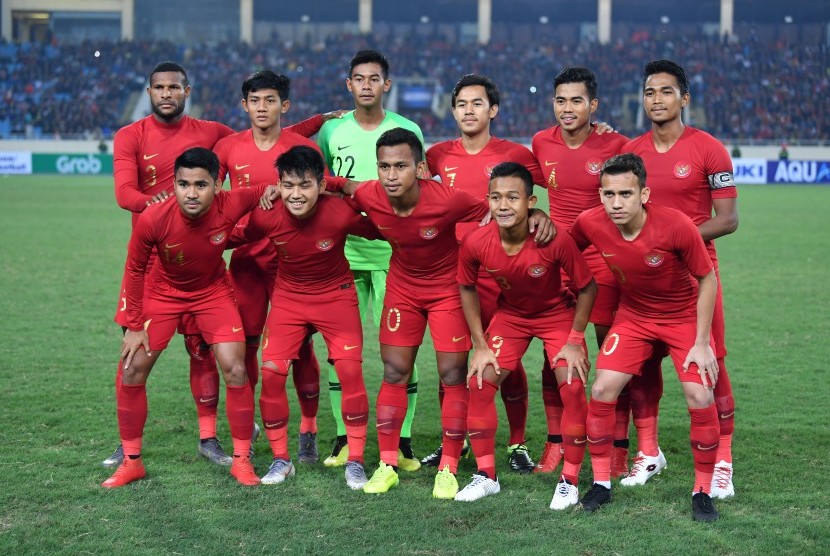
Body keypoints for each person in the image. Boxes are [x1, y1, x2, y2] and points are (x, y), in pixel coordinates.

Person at [329, 128, 553, 499]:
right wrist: (305, 184)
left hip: (447, 291)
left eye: (400, 166)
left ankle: (448, 467)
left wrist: (537, 211)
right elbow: (341, 185)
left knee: (452, 375)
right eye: (384, 166)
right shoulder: (370, 193)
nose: (391, 174)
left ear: (419, 169)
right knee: (394, 371)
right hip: (402, 290)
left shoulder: (448, 200)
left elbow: (497, 210)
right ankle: (387, 464)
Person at [570, 153, 721, 522]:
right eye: (608, 194)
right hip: (634, 317)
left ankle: (702, 490)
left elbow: (707, 279)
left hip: (682, 317)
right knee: (603, 389)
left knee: (699, 393)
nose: (616, 203)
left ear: (644, 194)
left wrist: (702, 342)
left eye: (625, 193)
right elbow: (563, 249)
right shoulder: (590, 222)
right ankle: (602, 484)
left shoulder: (675, 225)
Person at [102, 147, 264, 488]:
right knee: (132, 369)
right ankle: (132, 462)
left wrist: (279, 194)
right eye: (183, 184)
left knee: (236, 368)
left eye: (201, 185)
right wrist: (133, 326)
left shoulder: (233, 202)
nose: (191, 193)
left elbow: (272, 188)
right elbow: (133, 268)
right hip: (162, 294)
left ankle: (242, 461)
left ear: (217, 185)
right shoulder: (153, 217)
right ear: (174, 184)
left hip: (213, 293)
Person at [108, 61, 234, 469]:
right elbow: (125, 193)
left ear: (187, 91)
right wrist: (165, 209)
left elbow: (259, 143)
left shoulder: (212, 133)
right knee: (133, 359)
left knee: (202, 352)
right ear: (149, 92)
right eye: (159, 87)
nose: (166, 93)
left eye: (174, 87)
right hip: (152, 267)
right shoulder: (131, 135)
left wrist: (313, 124)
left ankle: (208, 437)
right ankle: (127, 445)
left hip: (201, 265)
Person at [622, 60, 738, 498]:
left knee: (712, 365)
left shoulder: (709, 149)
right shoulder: (633, 154)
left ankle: (723, 458)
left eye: (666, 92)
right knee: (642, 365)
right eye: (650, 92)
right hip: (641, 278)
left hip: (696, 276)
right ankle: (649, 452)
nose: (657, 99)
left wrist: (673, 240)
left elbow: (727, 220)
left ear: (684, 98)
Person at [230, 145, 378, 489]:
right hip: (289, 300)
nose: (296, 195)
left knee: (350, 370)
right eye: (288, 185)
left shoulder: (339, 212)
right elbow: (231, 235)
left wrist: (347, 187)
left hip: (335, 298)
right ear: (278, 185)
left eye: (305, 185)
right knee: (271, 373)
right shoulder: (267, 214)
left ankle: (355, 461)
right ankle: (282, 459)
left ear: (321, 185)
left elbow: (384, 227)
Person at [455, 162, 597, 509]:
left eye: (513, 198)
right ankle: (487, 476)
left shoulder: (553, 238)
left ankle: (570, 481)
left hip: (555, 315)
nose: (503, 206)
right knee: (479, 380)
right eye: (496, 198)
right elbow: (466, 286)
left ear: (531, 201)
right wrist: (479, 343)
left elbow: (588, 287)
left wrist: (575, 340)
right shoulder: (476, 241)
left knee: (573, 383)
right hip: (512, 317)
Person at [424, 74, 544, 473]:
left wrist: (540, 213)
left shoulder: (516, 154)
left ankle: (515, 444)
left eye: (477, 103)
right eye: (462, 104)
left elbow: (556, 187)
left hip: (505, 275)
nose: (469, 111)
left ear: (492, 110)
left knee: (505, 363)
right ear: (453, 110)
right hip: (455, 276)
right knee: (453, 364)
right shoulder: (439, 155)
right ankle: (452, 446)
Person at [213, 70, 332, 464]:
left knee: (298, 347)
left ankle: (309, 429)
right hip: (245, 260)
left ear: (284, 106)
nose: (262, 108)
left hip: (292, 261)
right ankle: (249, 424)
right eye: (255, 100)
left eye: (270, 100)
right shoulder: (227, 147)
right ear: (244, 105)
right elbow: (216, 201)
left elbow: (324, 192)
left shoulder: (303, 148)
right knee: (246, 342)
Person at [317, 50, 424, 471]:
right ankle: (345, 438)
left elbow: (423, 184)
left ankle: (403, 441)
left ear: (386, 85)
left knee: (400, 354)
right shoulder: (332, 130)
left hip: (392, 256)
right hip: (341, 253)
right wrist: (347, 185)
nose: (365, 85)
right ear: (349, 85)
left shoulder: (406, 128)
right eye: (358, 78)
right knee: (340, 353)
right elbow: (318, 182)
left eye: (373, 78)